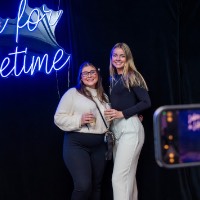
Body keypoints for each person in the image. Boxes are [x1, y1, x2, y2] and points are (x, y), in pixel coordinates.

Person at [54, 62, 110, 200]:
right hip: (76, 145)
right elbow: (58, 118)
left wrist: (132, 117)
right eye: (85, 73)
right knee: (83, 186)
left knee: (96, 186)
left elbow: (109, 122)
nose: (89, 75)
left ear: (98, 74)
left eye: (92, 72)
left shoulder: (104, 97)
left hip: (100, 146)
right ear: (80, 77)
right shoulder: (72, 93)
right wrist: (80, 119)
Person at [104, 42, 151, 200]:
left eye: (122, 55)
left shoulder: (131, 75)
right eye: (115, 55)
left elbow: (146, 102)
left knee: (118, 179)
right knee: (128, 178)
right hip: (118, 131)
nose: (118, 58)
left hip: (130, 129)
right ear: (111, 57)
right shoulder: (113, 78)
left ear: (127, 58)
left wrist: (123, 113)